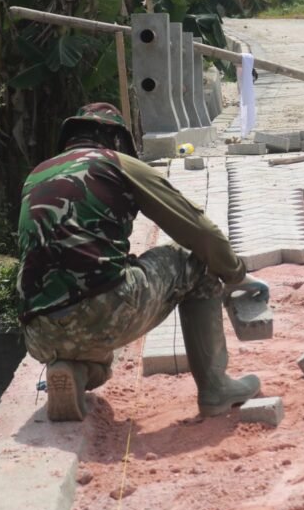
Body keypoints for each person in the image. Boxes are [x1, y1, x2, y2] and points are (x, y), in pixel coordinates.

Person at [17, 103, 259, 421]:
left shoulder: (36, 176)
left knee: (93, 350)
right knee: (194, 262)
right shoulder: (116, 163)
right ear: (116, 140)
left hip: (38, 332)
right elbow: (200, 231)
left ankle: (75, 372)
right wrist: (236, 274)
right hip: (104, 313)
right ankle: (216, 388)